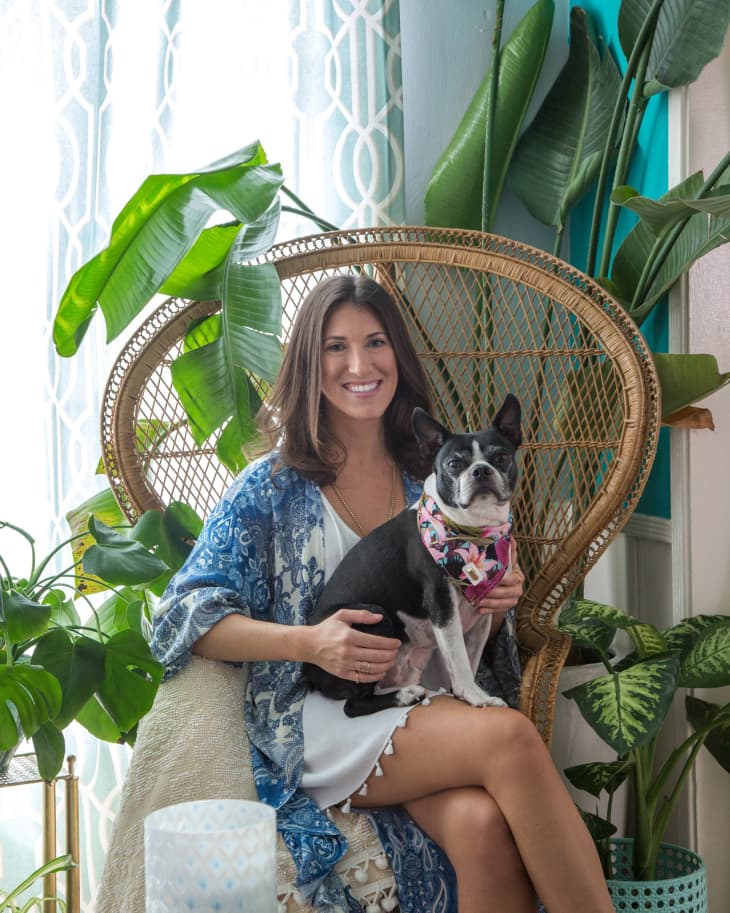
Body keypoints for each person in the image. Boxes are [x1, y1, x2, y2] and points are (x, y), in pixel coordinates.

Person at [151, 274, 615, 913]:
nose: (359, 365)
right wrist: (312, 643)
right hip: (323, 714)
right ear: (310, 365)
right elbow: (184, 617)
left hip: (423, 699)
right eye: (336, 348)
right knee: (509, 737)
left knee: (482, 828)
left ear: (398, 355)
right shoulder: (268, 488)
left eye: (375, 343)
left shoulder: (436, 472)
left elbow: (462, 596)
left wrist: (499, 589)